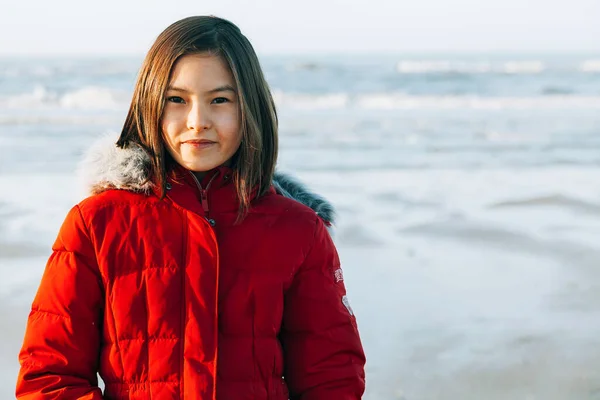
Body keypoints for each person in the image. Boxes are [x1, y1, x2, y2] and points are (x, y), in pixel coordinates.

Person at [15, 15, 366, 400]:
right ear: (150, 104)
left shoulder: (298, 229)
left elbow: (332, 378)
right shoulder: (96, 223)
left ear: (250, 106)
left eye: (220, 100)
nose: (198, 122)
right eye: (176, 100)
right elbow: (48, 377)